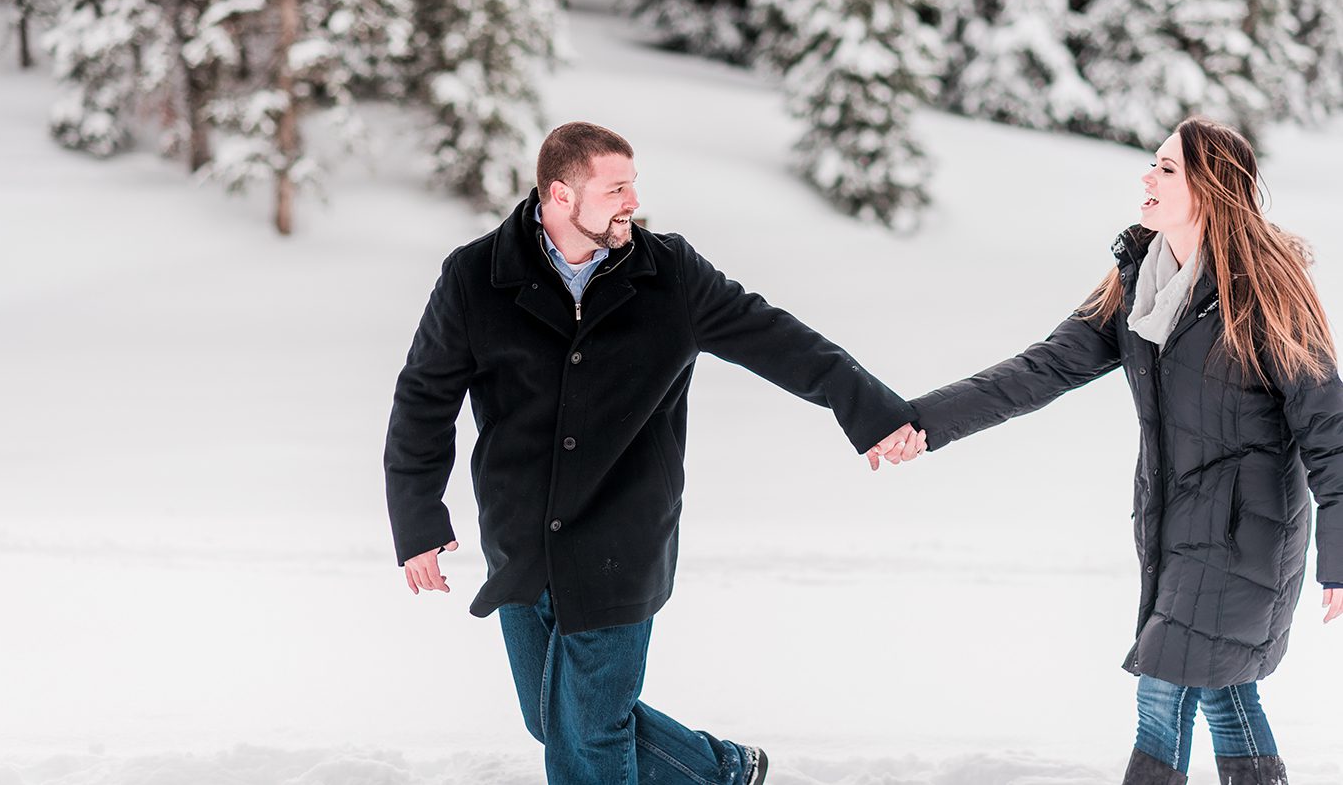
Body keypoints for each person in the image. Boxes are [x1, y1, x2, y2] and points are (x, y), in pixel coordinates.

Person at [384, 121, 926, 785]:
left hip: (621, 537)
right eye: (615, 188)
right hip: (519, 539)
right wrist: (417, 519)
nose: (630, 201)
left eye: (632, 184)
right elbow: (423, 398)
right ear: (560, 194)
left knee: (589, 731)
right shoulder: (476, 277)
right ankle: (721, 769)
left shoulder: (669, 275)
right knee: (553, 718)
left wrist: (867, 407)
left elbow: (777, 337)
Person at [902, 117, 1342, 785]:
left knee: (1164, 685)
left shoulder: (1265, 294)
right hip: (1172, 524)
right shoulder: (1138, 284)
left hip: (1247, 532)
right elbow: (1041, 369)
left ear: (1210, 187)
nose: (1148, 176)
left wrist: (1338, 555)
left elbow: (1329, 429)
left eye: (1167, 168)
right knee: (1224, 688)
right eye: (1154, 163)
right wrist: (918, 421)